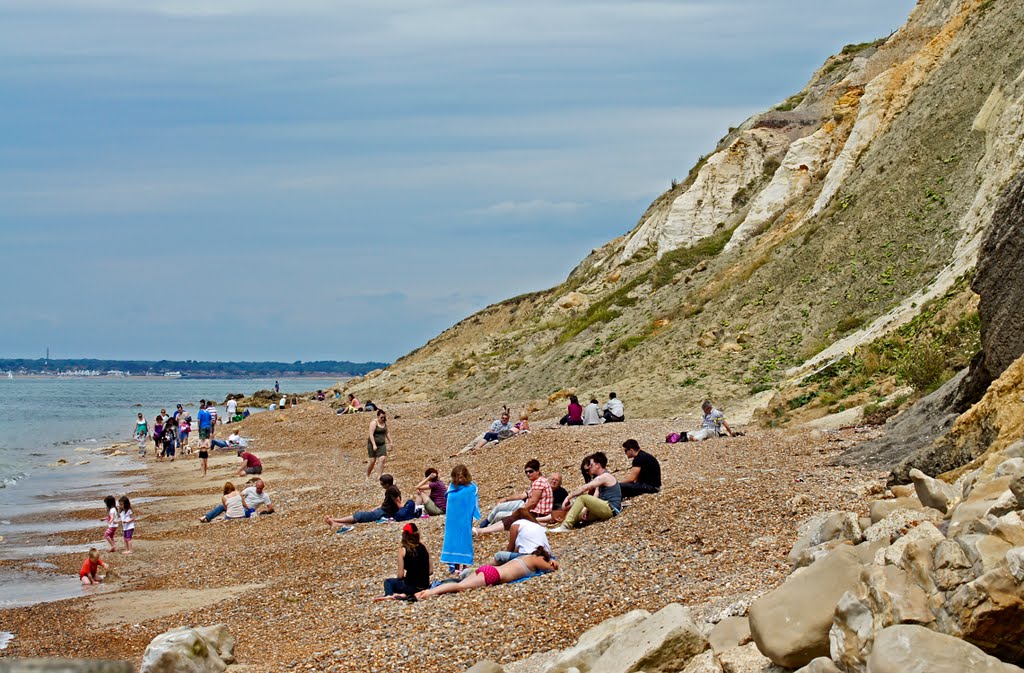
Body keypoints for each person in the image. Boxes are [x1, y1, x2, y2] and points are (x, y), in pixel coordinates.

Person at [414, 548, 558, 601]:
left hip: (488, 571)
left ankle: (429, 590)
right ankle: (429, 593)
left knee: (459, 584)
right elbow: (550, 568)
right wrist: (552, 562)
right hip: (493, 575)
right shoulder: (536, 560)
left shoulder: (524, 557)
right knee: (459, 587)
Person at [549, 452, 622, 532]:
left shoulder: (605, 476)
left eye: (591, 465)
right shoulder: (601, 478)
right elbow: (595, 496)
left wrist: (568, 497)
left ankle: (565, 527)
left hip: (611, 508)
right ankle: (561, 525)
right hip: (605, 509)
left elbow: (585, 488)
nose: (590, 467)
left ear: (598, 465)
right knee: (577, 515)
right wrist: (587, 509)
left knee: (582, 498)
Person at [475, 460, 553, 531]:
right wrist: (506, 499)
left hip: (535, 512)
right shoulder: (539, 480)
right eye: (526, 472)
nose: (528, 474)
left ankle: (488, 528)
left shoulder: (539, 483)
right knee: (499, 507)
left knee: (500, 515)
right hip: (528, 506)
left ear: (537, 471)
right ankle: (486, 523)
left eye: (530, 471)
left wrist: (517, 512)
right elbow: (523, 495)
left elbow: (533, 502)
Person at [373, 522, 433, 601]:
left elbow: (400, 575)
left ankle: (389, 595)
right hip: (424, 585)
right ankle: (404, 594)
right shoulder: (425, 547)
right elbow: (430, 571)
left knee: (388, 582)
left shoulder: (403, 550)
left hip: (410, 586)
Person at [325, 478, 411, 532]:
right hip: (383, 510)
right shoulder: (393, 488)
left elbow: (398, 503)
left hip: (383, 513)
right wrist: (378, 507)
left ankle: (336, 520)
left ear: (387, 484)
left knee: (359, 516)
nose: (381, 485)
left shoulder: (390, 490)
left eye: (382, 484)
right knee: (360, 519)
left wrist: (404, 511)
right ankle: (336, 522)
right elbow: (390, 503)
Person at [441, 465, 479, 572]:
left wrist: (473, 516)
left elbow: (473, 502)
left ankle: (465, 566)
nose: (459, 480)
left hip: (465, 519)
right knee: (452, 541)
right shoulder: (452, 487)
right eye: (457, 477)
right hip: (452, 519)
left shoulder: (471, 488)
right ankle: (455, 565)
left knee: (464, 541)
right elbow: (449, 501)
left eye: (462, 477)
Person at [366, 408, 392, 478]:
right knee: (372, 461)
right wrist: (374, 445)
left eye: (384, 417)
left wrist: (391, 442)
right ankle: (367, 475)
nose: (383, 419)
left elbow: (387, 432)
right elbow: (371, 434)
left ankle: (379, 476)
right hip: (372, 444)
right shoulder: (374, 422)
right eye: (381, 417)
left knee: (382, 459)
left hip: (382, 444)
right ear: (378, 416)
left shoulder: (384, 423)